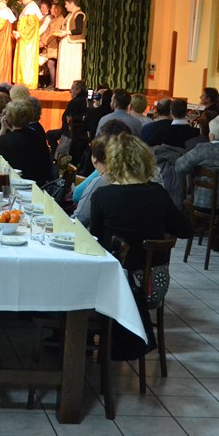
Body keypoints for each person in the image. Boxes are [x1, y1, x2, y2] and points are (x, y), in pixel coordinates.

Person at [88, 134, 192, 336]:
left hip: (114, 284)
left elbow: (96, 241)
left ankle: (87, 337)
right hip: (153, 283)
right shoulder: (158, 194)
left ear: (113, 161)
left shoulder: (103, 196)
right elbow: (185, 230)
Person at [0, 99, 54, 184]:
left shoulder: (4, 140)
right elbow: (47, 164)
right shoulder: (38, 136)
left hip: (11, 182)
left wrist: (3, 129)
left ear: (8, 118)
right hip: (38, 183)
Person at [13, 0, 43, 88]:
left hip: (27, 42)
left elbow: (31, 27)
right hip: (23, 40)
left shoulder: (32, 9)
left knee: (26, 61)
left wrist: (20, 33)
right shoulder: (28, 7)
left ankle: (26, 82)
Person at [47, 80, 88, 154]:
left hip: (71, 132)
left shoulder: (74, 102)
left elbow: (68, 118)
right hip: (82, 133)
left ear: (78, 90)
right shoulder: (87, 101)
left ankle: (55, 154)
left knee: (49, 134)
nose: (70, 91)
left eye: (72, 88)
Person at [56, 0, 85, 90]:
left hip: (73, 44)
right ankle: (64, 84)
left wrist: (66, 32)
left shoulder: (79, 14)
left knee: (72, 64)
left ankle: (71, 85)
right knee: (65, 64)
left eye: (66, 4)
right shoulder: (70, 15)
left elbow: (79, 29)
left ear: (72, 3)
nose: (65, 6)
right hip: (66, 43)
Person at [40, 2, 64, 88]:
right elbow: (47, 32)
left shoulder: (60, 19)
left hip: (54, 45)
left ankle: (53, 84)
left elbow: (53, 34)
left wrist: (44, 42)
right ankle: (52, 83)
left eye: (52, 8)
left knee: (51, 64)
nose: (51, 10)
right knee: (50, 64)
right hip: (49, 45)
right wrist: (41, 40)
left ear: (57, 9)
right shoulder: (53, 19)